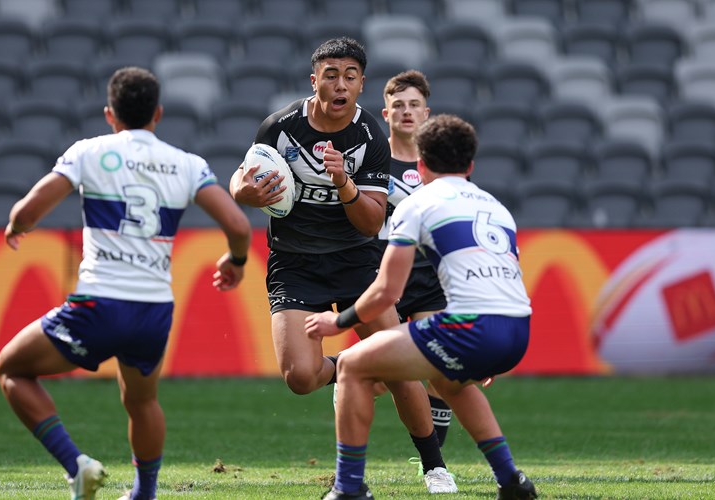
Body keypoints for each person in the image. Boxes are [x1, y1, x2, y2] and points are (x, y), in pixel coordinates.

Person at [0, 66, 252, 500]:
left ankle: (76, 465)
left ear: (110, 114)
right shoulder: (187, 164)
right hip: (153, 309)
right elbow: (239, 226)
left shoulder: (88, 152)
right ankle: (144, 493)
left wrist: (17, 225)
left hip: (99, 303)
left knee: (10, 368)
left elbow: (30, 208)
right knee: (141, 401)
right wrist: (237, 261)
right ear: (158, 114)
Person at [229, 37, 457, 494]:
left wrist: (343, 183)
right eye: (330, 74)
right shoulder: (281, 126)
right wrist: (243, 193)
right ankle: (352, 364)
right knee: (299, 378)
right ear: (314, 80)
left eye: (349, 76)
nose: (340, 84)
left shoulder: (370, 136)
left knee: (399, 368)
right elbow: (244, 175)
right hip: (294, 263)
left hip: (355, 263)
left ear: (361, 85)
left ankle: (434, 465)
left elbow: (372, 222)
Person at [306, 114, 538, 500]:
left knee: (351, 364)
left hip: (472, 328)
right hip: (516, 329)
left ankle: (348, 489)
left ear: (422, 165)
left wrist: (339, 320)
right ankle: (511, 480)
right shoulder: (496, 206)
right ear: (471, 166)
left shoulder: (419, 202)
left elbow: (385, 290)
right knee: (450, 382)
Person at [380, 70, 533, 486]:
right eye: (399, 105)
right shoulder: (373, 160)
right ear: (386, 113)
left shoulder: (447, 170)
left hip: (431, 279)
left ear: (426, 113)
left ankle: (434, 466)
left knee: (442, 374)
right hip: (387, 276)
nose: (407, 112)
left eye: (414, 105)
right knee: (384, 376)